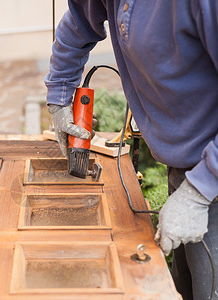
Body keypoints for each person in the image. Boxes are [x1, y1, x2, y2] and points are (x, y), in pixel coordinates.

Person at [44, 1, 218, 299]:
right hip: (184, 168)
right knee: (183, 286)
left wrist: (200, 191)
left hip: (211, 176)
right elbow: (79, 20)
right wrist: (59, 95)